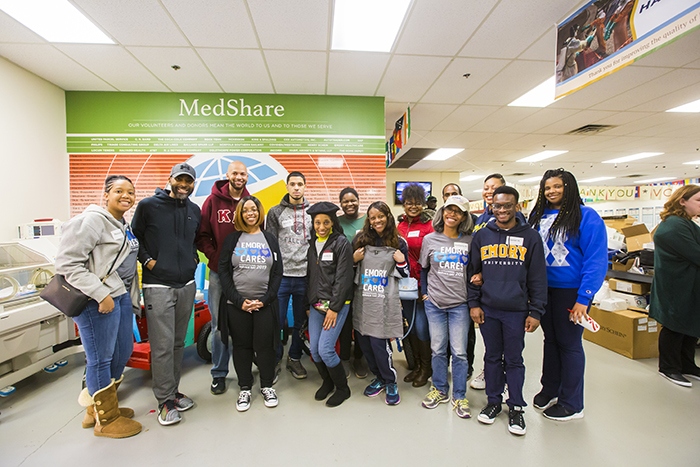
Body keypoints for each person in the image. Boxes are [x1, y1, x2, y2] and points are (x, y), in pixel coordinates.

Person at [57, 175, 141, 438]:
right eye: (119, 191)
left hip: (116, 294)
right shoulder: (90, 220)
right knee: (100, 359)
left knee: (122, 350)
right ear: (106, 194)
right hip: (94, 300)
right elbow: (68, 265)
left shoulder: (119, 222)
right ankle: (106, 420)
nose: (125, 195)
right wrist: (100, 294)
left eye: (130, 192)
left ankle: (99, 407)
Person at [528, 168, 607, 421]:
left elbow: (595, 260)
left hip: (571, 292)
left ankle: (573, 404)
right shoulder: (538, 216)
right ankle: (550, 388)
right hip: (543, 290)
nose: (552, 191)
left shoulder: (586, 216)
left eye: (558, 186)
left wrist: (584, 298)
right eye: (547, 187)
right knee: (550, 340)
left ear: (569, 187)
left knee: (570, 344)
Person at [469, 186, 548, 436]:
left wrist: (536, 311)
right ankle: (493, 402)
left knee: (514, 359)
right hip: (488, 309)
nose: (502, 210)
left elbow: (538, 277)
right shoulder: (482, 236)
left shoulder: (531, 237)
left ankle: (515, 406)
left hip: (516, 310)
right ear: (491, 206)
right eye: (497, 205)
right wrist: (474, 304)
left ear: (517, 206)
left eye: (507, 205)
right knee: (492, 356)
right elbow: (471, 273)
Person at [131, 162, 201, 426]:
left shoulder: (194, 210)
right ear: (170, 179)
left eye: (189, 181)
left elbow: (192, 242)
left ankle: (172, 391)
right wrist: (149, 261)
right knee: (162, 346)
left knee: (177, 344)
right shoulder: (148, 206)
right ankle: (164, 402)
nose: (184, 185)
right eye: (180, 180)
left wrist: (193, 260)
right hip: (158, 285)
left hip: (186, 285)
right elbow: (134, 239)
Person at [218, 196, 283, 411]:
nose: (250, 213)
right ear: (240, 214)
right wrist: (239, 301)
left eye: (253, 209)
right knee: (242, 346)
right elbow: (224, 273)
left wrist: (264, 301)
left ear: (259, 212)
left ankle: (266, 385)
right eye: (245, 210)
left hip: (264, 305)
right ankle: (244, 387)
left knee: (265, 347)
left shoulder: (270, 239)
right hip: (237, 306)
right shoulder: (232, 239)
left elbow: (277, 272)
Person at [196, 161, 250, 395]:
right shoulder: (212, 202)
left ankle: (245, 372)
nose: (239, 177)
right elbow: (203, 235)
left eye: (243, 174)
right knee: (219, 326)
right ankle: (219, 373)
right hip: (219, 273)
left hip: (246, 273)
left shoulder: (250, 202)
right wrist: (216, 258)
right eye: (235, 173)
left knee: (246, 323)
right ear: (227, 175)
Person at [419, 195, 474, 419]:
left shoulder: (470, 240)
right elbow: (424, 268)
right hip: (435, 303)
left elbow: (475, 270)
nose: (452, 215)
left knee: (460, 352)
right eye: (448, 210)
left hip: (460, 304)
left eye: (457, 212)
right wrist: (425, 293)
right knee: (438, 349)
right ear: (442, 212)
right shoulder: (430, 240)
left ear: (464, 217)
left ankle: (459, 395)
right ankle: (440, 389)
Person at [470, 173, 526, 391]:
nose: (488, 191)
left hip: (514, 302)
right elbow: (477, 262)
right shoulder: (482, 222)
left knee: (512, 355)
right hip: (488, 299)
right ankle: (493, 388)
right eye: (486, 188)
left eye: (493, 188)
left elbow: (529, 269)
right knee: (492, 351)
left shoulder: (523, 228)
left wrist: (534, 309)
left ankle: (513, 398)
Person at [353, 202, 410, 405]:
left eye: (380, 216)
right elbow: (348, 272)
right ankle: (378, 377)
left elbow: (405, 274)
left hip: (383, 304)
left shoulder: (398, 241)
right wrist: (353, 259)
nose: (377, 220)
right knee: (365, 344)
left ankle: (390, 380)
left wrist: (402, 261)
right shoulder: (360, 239)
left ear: (388, 216)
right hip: (363, 303)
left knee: (379, 345)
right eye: (372, 217)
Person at [649, 185, 700, 387]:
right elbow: (696, 254)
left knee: (689, 325)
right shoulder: (673, 226)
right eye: (698, 200)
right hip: (676, 285)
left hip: (689, 284)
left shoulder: (686, 224)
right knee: (675, 326)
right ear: (682, 201)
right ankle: (669, 367)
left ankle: (687, 364)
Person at [306, 202, 354, 407]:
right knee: (314, 350)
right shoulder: (312, 244)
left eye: (326, 222)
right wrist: (308, 305)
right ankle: (327, 382)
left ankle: (343, 388)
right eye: (318, 222)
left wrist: (334, 308)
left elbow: (343, 278)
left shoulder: (341, 243)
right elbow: (310, 277)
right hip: (316, 304)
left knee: (326, 349)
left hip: (337, 304)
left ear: (333, 222)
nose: (322, 226)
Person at [266, 171, 311, 380]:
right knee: (276, 320)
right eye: (292, 184)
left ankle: (294, 358)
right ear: (287, 186)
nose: (296, 188)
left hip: (304, 276)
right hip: (282, 277)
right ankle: (275, 359)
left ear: (304, 187)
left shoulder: (313, 212)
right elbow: (271, 244)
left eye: (299, 184)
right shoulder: (275, 212)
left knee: (300, 322)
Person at [397, 184, 433, 388]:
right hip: (404, 286)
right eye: (409, 202)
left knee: (421, 328)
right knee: (410, 327)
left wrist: (425, 286)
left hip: (422, 286)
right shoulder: (400, 226)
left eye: (417, 202)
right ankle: (418, 366)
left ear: (423, 203)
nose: (413, 206)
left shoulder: (429, 226)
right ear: (404, 204)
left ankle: (426, 368)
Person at [337, 187, 368, 379]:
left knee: (361, 320)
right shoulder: (337, 223)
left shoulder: (367, 220)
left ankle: (359, 358)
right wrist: (352, 258)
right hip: (344, 279)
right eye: (345, 201)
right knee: (345, 321)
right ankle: (345, 359)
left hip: (366, 279)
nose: (350, 204)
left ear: (358, 200)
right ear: (340, 204)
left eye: (353, 200)